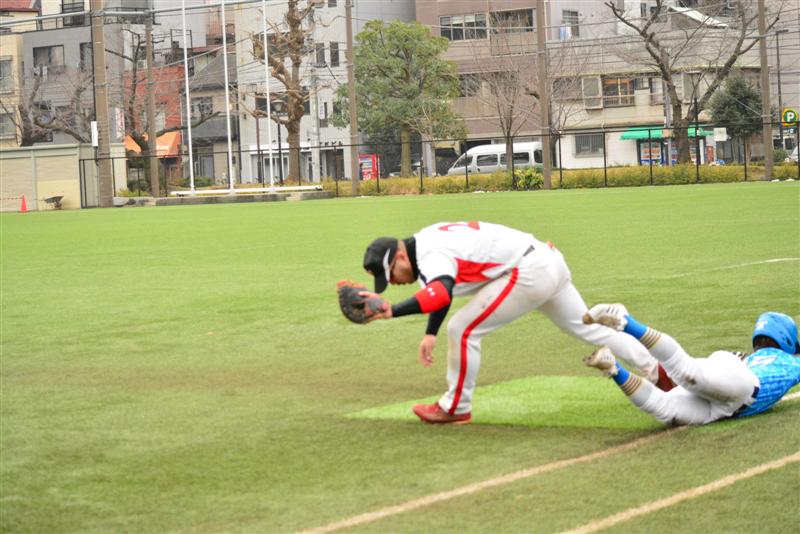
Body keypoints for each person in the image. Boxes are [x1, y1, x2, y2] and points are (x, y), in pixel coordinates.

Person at [360, 221, 673, 425]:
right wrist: (431, 332)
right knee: (588, 326)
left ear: (400, 257)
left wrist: (392, 311)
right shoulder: (427, 241)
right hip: (546, 259)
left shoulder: (429, 254)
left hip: (530, 270)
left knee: (464, 330)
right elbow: (442, 290)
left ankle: (455, 406)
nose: (395, 284)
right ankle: (657, 371)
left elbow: (440, 291)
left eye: (392, 277)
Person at [583, 304, 800, 425]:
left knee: (667, 410)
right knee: (685, 371)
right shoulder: (791, 362)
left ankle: (613, 368)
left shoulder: (754, 357)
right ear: (786, 339)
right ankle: (625, 321)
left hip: (727, 408)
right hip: (745, 386)